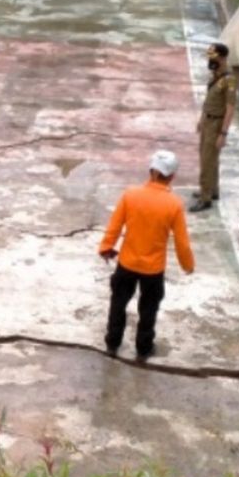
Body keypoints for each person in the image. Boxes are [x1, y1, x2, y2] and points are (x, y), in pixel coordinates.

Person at [99, 150, 195, 361]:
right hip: (153, 269)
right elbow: (182, 242)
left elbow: (114, 226)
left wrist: (106, 247)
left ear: (151, 171)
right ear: (172, 177)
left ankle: (112, 343)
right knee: (148, 309)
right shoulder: (174, 205)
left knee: (118, 303)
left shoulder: (130, 195)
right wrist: (187, 265)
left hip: (127, 263)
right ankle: (143, 348)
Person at [190, 42, 237, 213]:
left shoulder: (229, 80)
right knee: (208, 157)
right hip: (208, 121)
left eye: (214, 58)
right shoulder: (215, 75)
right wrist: (202, 120)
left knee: (207, 161)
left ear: (223, 59)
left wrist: (223, 133)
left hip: (217, 123)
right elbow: (209, 100)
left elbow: (230, 108)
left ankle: (205, 198)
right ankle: (212, 190)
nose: (211, 62)